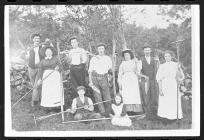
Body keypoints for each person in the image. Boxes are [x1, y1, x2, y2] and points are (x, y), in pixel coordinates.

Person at [156, 50, 184, 120]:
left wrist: (179, 68)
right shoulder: (162, 66)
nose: (167, 58)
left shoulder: (176, 64)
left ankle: (174, 116)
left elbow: (180, 76)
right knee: (165, 100)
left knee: (173, 100)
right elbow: (159, 78)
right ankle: (166, 116)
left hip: (173, 84)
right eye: (165, 56)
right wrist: (160, 89)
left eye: (168, 56)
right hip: (164, 84)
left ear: (171, 57)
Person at [118, 49, 145, 116]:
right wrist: (120, 82)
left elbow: (138, 70)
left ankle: (136, 111)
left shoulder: (134, 62)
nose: (126, 56)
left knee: (134, 94)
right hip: (125, 80)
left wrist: (137, 62)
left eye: (128, 55)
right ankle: (128, 111)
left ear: (130, 55)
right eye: (125, 55)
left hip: (133, 79)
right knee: (126, 95)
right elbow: (120, 73)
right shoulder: (122, 63)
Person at [37, 45, 64, 113]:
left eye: (49, 51)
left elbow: (61, 67)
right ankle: (47, 107)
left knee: (55, 90)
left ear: (52, 52)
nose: (48, 53)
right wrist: (40, 78)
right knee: (47, 91)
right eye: (47, 52)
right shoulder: (42, 61)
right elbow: (40, 70)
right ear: (45, 53)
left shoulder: (56, 59)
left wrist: (58, 68)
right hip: (46, 77)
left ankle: (56, 107)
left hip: (55, 76)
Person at [88, 43, 112, 117]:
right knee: (97, 96)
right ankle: (102, 112)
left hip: (104, 78)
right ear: (97, 50)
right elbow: (90, 71)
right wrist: (90, 81)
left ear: (104, 49)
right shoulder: (94, 58)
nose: (101, 50)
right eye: (99, 49)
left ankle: (109, 112)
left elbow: (110, 70)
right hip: (94, 78)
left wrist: (109, 78)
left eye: (102, 48)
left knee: (107, 96)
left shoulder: (107, 58)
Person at [140, 43, 159, 118]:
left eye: (148, 50)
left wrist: (158, 61)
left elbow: (159, 69)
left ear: (150, 51)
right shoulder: (141, 60)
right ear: (143, 51)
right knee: (146, 96)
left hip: (154, 80)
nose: (147, 51)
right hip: (145, 81)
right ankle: (147, 113)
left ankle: (156, 112)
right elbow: (138, 71)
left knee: (155, 96)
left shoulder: (155, 59)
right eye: (145, 50)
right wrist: (144, 76)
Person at [27, 33, 44, 107]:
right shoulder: (30, 48)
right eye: (35, 38)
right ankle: (39, 98)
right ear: (33, 40)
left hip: (39, 68)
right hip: (31, 68)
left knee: (36, 85)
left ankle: (35, 102)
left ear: (40, 40)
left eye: (38, 38)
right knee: (34, 84)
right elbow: (26, 57)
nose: (37, 40)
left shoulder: (42, 47)